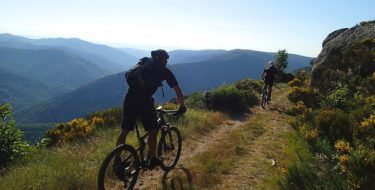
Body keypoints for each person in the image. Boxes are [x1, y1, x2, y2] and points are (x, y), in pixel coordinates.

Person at [116, 49, 186, 170]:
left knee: (125, 131)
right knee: (153, 131)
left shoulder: (144, 62)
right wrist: (182, 107)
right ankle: (153, 159)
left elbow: (130, 75)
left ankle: (117, 161)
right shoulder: (165, 72)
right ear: (164, 60)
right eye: (166, 60)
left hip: (130, 98)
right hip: (145, 101)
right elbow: (177, 90)